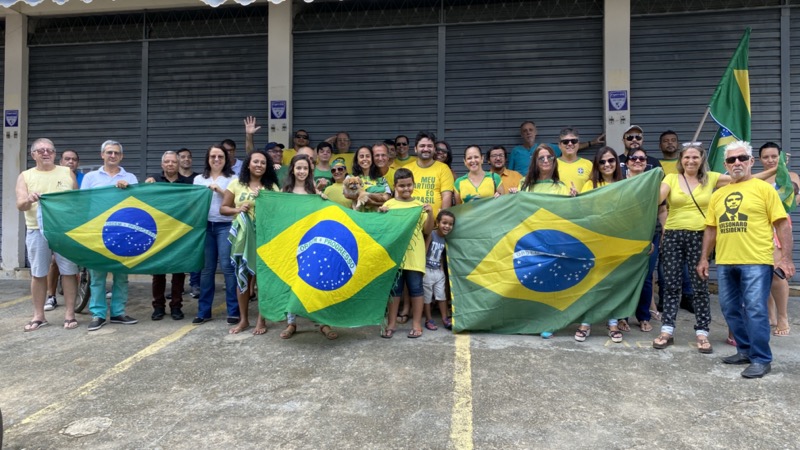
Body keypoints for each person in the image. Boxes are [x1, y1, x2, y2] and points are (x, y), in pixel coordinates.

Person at [698, 140, 794, 379]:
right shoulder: (719, 194)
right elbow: (711, 229)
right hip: (726, 260)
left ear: (751, 162)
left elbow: (782, 224)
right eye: (731, 160)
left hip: (756, 260)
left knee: (755, 310)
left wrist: (787, 259)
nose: (737, 163)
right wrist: (703, 259)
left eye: (742, 158)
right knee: (730, 309)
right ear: (725, 165)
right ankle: (745, 350)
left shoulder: (764, 190)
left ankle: (762, 358)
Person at [16, 138, 79, 331]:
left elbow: (77, 201)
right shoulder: (25, 176)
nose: (46, 153)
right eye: (41, 150)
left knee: (69, 272)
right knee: (38, 273)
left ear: (54, 154)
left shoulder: (67, 172)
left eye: (50, 150)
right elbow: (20, 205)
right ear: (33, 154)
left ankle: (70, 314)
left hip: (64, 230)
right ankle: (39, 316)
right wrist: (29, 199)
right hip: (37, 230)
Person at [80, 140, 139, 331]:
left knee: (121, 275)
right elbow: (82, 202)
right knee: (97, 276)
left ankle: (118, 313)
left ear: (121, 156)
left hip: (122, 232)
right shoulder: (90, 177)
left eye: (116, 153)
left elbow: (137, 203)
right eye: (109, 153)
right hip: (97, 231)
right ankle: (98, 315)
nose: (112, 156)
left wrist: (128, 189)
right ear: (102, 155)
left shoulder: (130, 177)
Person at [279, 154, 338, 340]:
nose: (302, 171)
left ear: (309, 170)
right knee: (292, 281)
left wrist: (322, 198)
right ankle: (291, 322)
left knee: (316, 280)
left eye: (305, 168)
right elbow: (276, 210)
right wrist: (262, 197)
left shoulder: (314, 192)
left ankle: (322, 322)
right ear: (292, 170)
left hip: (311, 243)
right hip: (290, 242)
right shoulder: (285, 191)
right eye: (298, 168)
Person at [220, 149, 280, 335]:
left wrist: (264, 199)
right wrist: (238, 209)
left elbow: (278, 213)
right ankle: (244, 320)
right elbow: (223, 208)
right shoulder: (236, 183)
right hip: (243, 238)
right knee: (242, 276)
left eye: (263, 163)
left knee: (262, 279)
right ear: (248, 164)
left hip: (264, 237)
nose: (259, 165)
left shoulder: (272, 187)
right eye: (256, 162)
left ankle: (261, 321)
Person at [574, 146, 625, 343]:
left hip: (617, 240)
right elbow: (582, 211)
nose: (607, 165)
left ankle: (612, 323)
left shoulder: (625, 184)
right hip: (593, 241)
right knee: (591, 282)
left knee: (612, 283)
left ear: (616, 163)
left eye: (611, 160)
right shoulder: (590, 185)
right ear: (597, 165)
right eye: (602, 162)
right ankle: (586, 322)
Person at [380, 168, 434, 338]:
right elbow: (383, 229)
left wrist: (430, 213)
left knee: (416, 289)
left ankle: (417, 324)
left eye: (409, 185)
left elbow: (428, 230)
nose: (406, 189)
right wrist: (381, 215)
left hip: (415, 256)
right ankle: (392, 324)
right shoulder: (389, 205)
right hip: (395, 256)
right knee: (394, 291)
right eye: (402, 186)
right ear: (395, 186)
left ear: (414, 185)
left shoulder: (419, 206)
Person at [191, 144, 238, 325]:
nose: (216, 160)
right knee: (206, 270)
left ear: (226, 160)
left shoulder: (233, 178)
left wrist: (219, 189)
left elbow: (235, 200)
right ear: (207, 159)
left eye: (220, 156)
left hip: (226, 225)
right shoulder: (198, 179)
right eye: (213, 157)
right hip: (205, 226)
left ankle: (233, 311)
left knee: (227, 268)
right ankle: (204, 311)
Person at [144, 151, 192, 321]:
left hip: (179, 232)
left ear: (178, 164)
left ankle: (176, 307)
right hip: (158, 231)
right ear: (162, 164)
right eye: (167, 161)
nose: (170, 164)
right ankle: (158, 307)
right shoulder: (153, 181)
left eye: (173, 161)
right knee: (158, 272)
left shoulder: (188, 183)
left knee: (178, 272)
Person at [758, 142, 797, 336]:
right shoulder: (758, 180)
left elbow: (794, 199)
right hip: (759, 228)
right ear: (760, 160)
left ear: (781, 157)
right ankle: (771, 315)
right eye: (766, 157)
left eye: (774, 156)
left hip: (778, 227)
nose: (770, 160)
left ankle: (783, 317)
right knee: (764, 271)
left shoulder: (790, 177)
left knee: (777, 272)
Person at [620, 148, 660, 333]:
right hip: (625, 236)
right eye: (633, 158)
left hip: (650, 235)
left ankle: (643, 316)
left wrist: (654, 236)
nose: (637, 161)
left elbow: (660, 210)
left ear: (646, 162)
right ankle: (622, 317)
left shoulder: (653, 182)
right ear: (627, 162)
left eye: (641, 158)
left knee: (645, 277)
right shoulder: (619, 182)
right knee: (625, 276)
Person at [44, 149, 83, 311]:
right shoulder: (55, 175)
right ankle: (51, 296)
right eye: (67, 159)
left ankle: (85, 291)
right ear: (61, 161)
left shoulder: (84, 178)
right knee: (55, 261)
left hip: (80, 223)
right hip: (59, 224)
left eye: (74, 159)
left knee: (83, 260)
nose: (70, 162)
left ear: (78, 163)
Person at [508, 121, 604, 175]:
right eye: (525, 131)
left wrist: (592, 142)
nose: (528, 132)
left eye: (530, 130)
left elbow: (569, 147)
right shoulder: (516, 151)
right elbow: (510, 173)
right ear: (521, 134)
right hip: (521, 188)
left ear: (536, 132)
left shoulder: (545, 148)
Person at [408, 131, 454, 218]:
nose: (426, 149)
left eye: (429, 146)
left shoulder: (444, 169)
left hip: (435, 225)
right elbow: (399, 196)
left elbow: (447, 196)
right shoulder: (406, 169)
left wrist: (441, 219)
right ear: (415, 149)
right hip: (410, 223)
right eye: (422, 146)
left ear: (434, 149)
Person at [422, 210, 455, 330]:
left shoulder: (445, 239)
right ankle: (428, 319)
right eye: (444, 223)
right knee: (427, 297)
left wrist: (441, 269)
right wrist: (422, 269)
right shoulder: (432, 234)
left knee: (441, 296)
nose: (447, 226)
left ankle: (445, 318)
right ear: (438, 222)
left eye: (450, 224)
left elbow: (440, 254)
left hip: (438, 272)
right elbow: (424, 251)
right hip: (427, 270)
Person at [557, 128, 593, 193]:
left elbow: (595, 189)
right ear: (559, 145)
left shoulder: (588, 164)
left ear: (578, 144)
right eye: (565, 142)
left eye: (574, 141)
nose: (570, 144)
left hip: (582, 203)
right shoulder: (552, 164)